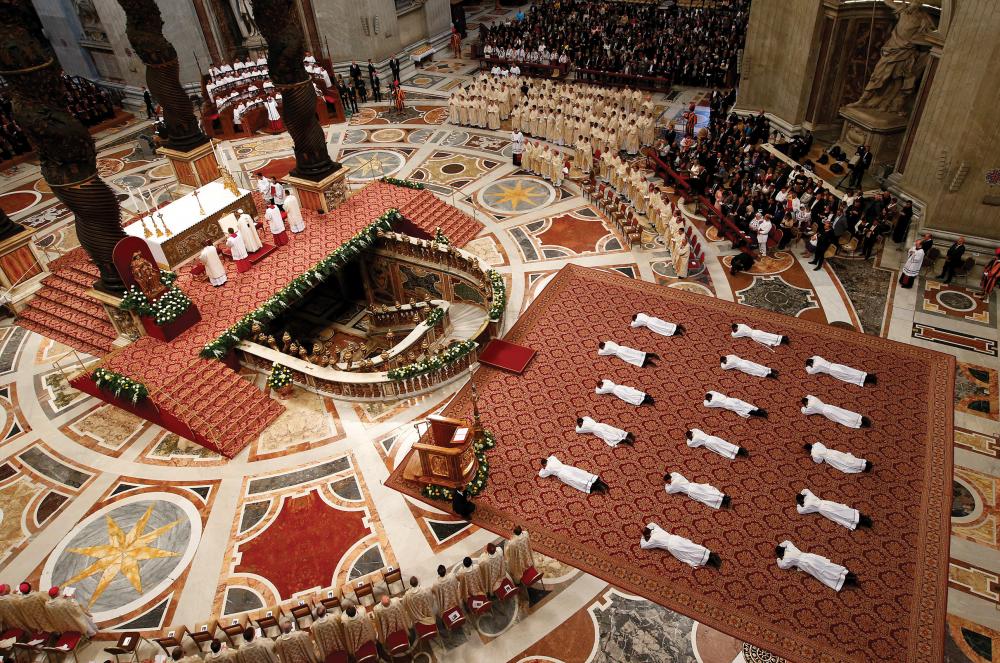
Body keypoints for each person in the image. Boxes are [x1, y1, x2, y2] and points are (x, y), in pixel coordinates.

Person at [776, 541, 856, 591]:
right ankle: (843, 573)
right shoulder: (790, 547)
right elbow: (787, 542)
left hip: (807, 565)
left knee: (822, 573)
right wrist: (780, 545)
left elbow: (782, 566)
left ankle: (842, 580)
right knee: (827, 566)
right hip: (811, 557)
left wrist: (778, 559)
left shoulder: (786, 559)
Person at [640, 523, 720, 568]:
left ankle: (709, 561)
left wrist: (643, 536)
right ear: (650, 529)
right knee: (693, 547)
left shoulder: (652, 540)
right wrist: (647, 527)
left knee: (689, 555)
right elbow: (652, 523)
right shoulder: (657, 529)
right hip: (676, 539)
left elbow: (643, 546)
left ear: (647, 535)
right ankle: (711, 554)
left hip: (672, 546)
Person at [796, 489, 871, 530]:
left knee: (838, 516)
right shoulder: (809, 495)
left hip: (823, 510)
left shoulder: (806, 505)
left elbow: (800, 511)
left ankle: (855, 523)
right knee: (842, 509)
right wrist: (801, 493)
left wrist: (799, 504)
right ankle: (860, 517)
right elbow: (805, 490)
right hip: (826, 503)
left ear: (801, 501)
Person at [539, 455, 608, 493]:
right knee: (581, 473)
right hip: (567, 467)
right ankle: (597, 481)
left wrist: (543, 468)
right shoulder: (553, 459)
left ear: (544, 464)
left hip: (562, 474)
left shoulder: (548, 468)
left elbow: (541, 475)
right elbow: (551, 457)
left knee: (576, 480)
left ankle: (595, 487)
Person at [665, 471, 729, 509]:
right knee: (708, 490)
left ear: (668, 480)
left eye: (668, 481)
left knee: (706, 497)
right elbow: (674, 473)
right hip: (693, 485)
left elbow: (668, 491)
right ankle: (723, 496)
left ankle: (724, 501)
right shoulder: (677, 476)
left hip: (691, 491)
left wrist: (667, 485)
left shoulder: (674, 484)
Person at [801, 395, 870, 428]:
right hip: (829, 406)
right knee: (844, 412)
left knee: (841, 418)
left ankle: (857, 423)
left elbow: (805, 412)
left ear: (806, 403)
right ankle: (859, 418)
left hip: (826, 412)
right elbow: (809, 396)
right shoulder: (813, 398)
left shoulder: (810, 406)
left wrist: (803, 407)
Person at [804, 442, 872, 473]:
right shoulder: (817, 444)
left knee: (845, 464)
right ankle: (864, 463)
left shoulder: (814, 453)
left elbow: (819, 461)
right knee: (845, 458)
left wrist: (812, 456)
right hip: (833, 452)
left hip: (831, 458)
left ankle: (864, 466)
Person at [805, 356, 875, 386]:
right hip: (835, 365)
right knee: (852, 371)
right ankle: (868, 376)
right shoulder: (817, 358)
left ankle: (867, 380)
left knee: (849, 377)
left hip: (833, 371)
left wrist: (807, 366)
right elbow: (813, 357)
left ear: (811, 364)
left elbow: (810, 372)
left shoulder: (816, 366)